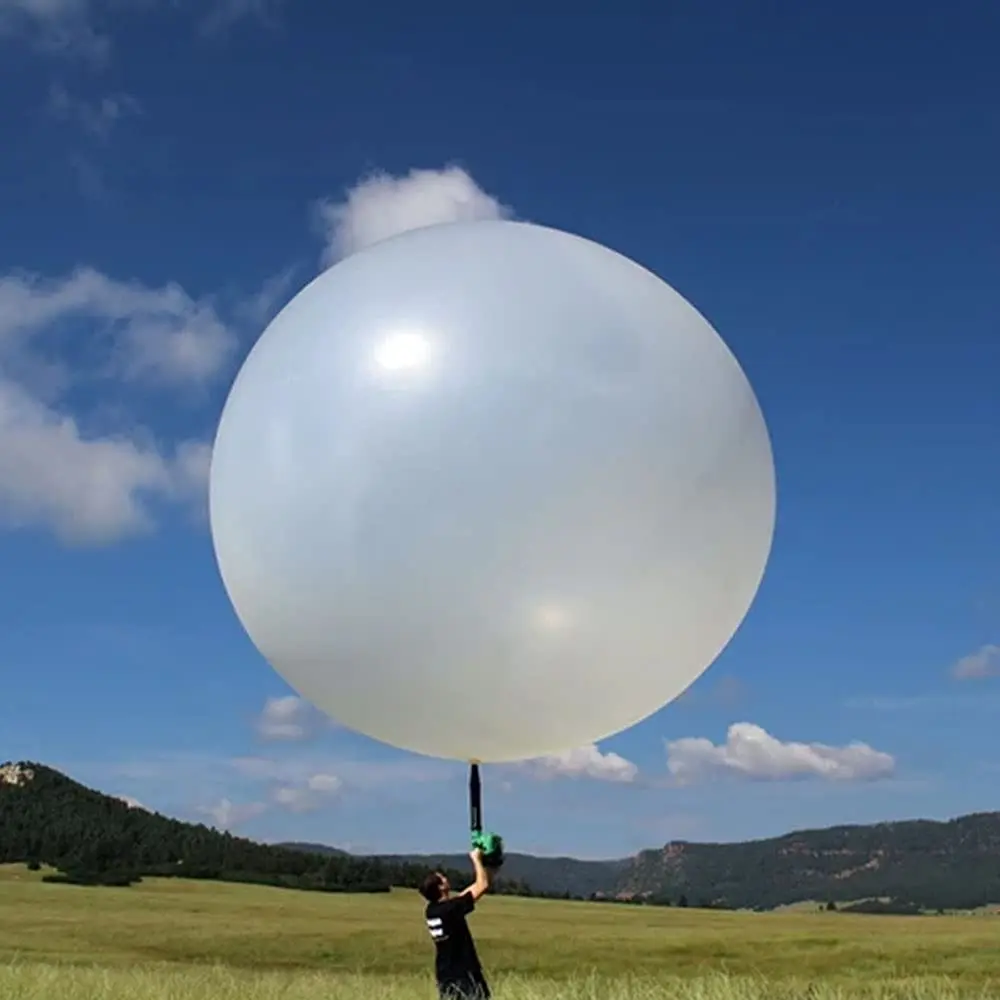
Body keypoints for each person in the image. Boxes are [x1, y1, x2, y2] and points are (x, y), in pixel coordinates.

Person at [420, 848, 491, 999]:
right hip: (464, 974)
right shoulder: (450, 909)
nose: (446, 879)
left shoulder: (432, 910)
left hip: (446, 975)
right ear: (440, 887)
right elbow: (482, 885)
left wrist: (487, 866)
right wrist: (476, 859)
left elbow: (469, 892)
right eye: (443, 878)